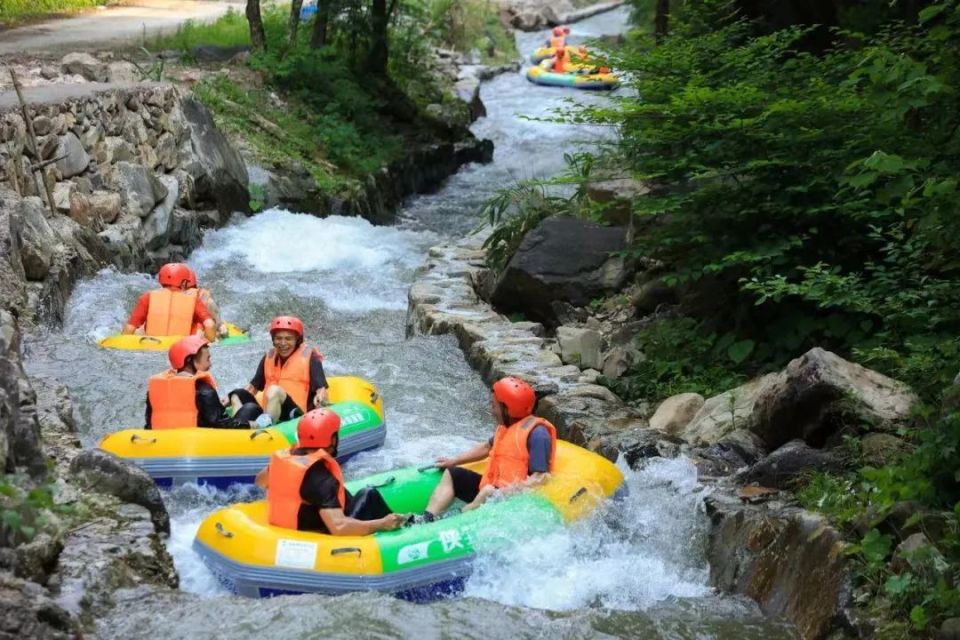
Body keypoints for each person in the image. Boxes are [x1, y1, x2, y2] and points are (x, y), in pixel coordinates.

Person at [416, 377, 557, 522]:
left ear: (508, 409)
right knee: (453, 474)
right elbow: (486, 447)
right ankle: (426, 518)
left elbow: (540, 478)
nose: (491, 411)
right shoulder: (507, 427)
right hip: (493, 489)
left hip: (511, 499)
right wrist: (453, 461)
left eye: (494, 406)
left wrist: (500, 494)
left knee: (487, 492)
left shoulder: (538, 435)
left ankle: (451, 522)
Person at [255, 408, 406, 534]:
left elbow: (260, 481)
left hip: (293, 526)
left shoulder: (286, 459)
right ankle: (404, 528)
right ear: (332, 440)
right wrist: (382, 523)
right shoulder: (322, 479)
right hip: (322, 535)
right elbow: (338, 527)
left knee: (345, 494)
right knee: (369, 494)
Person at [144, 335, 264, 429]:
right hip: (204, 441)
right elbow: (222, 424)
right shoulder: (204, 390)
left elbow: (149, 422)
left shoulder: (155, 390)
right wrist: (251, 425)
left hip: (167, 441)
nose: (210, 364)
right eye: (207, 359)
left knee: (240, 393)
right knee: (251, 407)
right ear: (190, 360)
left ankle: (234, 398)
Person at [233, 315, 329, 426]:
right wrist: (234, 396)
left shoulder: (310, 358)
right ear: (273, 340)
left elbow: (321, 390)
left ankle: (263, 425)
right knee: (237, 394)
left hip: (297, 417)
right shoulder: (269, 357)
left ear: (297, 340)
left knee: (275, 390)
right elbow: (252, 388)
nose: (283, 343)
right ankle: (235, 425)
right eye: (278, 338)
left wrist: (320, 399)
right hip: (269, 413)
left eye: (288, 339)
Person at [123, 263, 216, 341]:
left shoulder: (147, 297)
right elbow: (210, 325)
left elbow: (129, 328)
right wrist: (208, 342)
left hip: (152, 344)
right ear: (184, 283)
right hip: (180, 346)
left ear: (160, 281)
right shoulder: (193, 300)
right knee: (199, 330)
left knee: (139, 330)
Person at [183, 269, 229, 338]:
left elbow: (217, 325)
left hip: (202, 334)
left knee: (221, 328)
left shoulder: (207, 301)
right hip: (193, 335)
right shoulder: (173, 300)